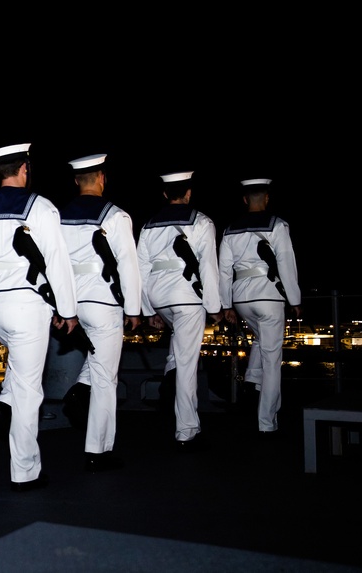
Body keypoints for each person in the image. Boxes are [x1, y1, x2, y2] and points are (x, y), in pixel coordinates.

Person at [0, 143, 78, 491]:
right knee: (30, 387)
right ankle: (24, 471)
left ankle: (4, 402)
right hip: (25, 303)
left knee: (19, 365)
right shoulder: (40, 207)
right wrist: (67, 310)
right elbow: (57, 260)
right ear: (24, 169)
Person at [59, 154, 143, 472]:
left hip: (72, 303)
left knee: (98, 362)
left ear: (76, 181)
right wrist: (134, 308)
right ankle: (99, 449)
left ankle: (80, 390)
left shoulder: (59, 216)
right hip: (104, 301)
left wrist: (59, 306)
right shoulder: (116, 216)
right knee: (107, 377)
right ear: (102, 178)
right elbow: (128, 266)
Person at [137, 171, 222, 451]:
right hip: (187, 297)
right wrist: (214, 306)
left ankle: (169, 379)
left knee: (179, 348)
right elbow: (208, 266)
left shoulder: (149, 225)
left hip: (159, 295)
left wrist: (149, 309)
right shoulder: (202, 222)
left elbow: (141, 269)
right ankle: (186, 430)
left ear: (165, 194)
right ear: (188, 193)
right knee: (188, 364)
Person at [218, 178, 302, 437]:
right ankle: (267, 421)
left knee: (260, 338)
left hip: (242, 298)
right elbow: (286, 262)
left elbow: (223, 270)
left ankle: (253, 377)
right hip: (269, 296)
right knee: (273, 358)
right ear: (266, 198)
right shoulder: (277, 225)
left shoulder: (230, 229)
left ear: (245, 200)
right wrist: (295, 300)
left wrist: (225, 303)